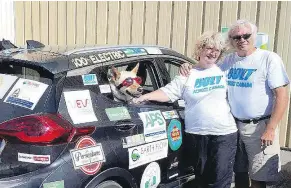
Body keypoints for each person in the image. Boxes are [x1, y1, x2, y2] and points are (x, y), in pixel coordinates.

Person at [179, 20, 290, 188]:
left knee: (259, 177)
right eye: (236, 37)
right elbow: (206, 69)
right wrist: (188, 67)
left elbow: (282, 95)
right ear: (231, 40)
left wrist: (271, 129)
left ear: (253, 36)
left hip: (259, 127)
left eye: (246, 35)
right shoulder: (229, 60)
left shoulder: (269, 59)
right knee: (239, 172)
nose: (242, 40)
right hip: (233, 126)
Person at [134, 31, 238, 188]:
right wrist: (143, 97)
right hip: (196, 134)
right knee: (201, 179)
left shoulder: (224, 71)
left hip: (223, 134)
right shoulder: (188, 74)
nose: (213, 53)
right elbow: (168, 92)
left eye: (217, 50)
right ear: (200, 49)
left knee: (219, 180)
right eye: (209, 48)